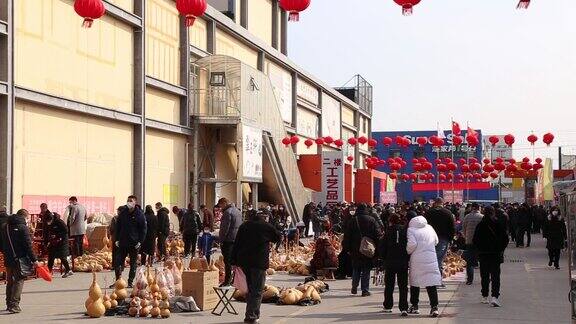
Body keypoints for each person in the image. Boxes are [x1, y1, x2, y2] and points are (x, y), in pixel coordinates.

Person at [231, 211, 281, 324]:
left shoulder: (244, 226)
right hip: (258, 262)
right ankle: (252, 316)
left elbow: (236, 243)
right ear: (262, 217)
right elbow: (277, 236)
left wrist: (233, 261)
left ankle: (250, 314)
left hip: (244, 262)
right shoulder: (265, 226)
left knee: (249, 289)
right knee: (257, 290)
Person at [1, 209, 39, 313]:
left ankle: (9, 303)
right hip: (20, 258)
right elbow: (28, 246)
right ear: (25, 217)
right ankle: (14, 305)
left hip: (8, 257)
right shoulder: (23, 228)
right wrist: (34, 260)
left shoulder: (5, 226)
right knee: (19, 280)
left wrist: (6, 253)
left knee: (10, 282)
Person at [406, 214, 442, 317]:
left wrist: (407, 251)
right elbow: (436, 241)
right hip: (431, 258)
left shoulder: (411, 230)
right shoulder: (430, 228)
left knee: (415, 283)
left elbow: (412, 244)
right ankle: (434, 307)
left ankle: (414, 306)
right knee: (431, 284)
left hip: (417, 259)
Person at [473, 206, 509, 307]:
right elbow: (505, 239)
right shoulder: (498, 224)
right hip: (496, 254)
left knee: (484, 276)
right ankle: (494, 297)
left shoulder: (480, 225)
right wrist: (500, 249)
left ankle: (484, 296)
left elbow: (475, 240)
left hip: (483, 254)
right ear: (493, 213)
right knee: (495, 276)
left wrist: (480, 249)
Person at [343, 203, 378, 297]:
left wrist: (346, 248)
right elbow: (377, 234)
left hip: (355, 248)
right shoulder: (372, 220)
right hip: (367, 248)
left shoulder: (353, 220)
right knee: (366, 269)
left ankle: (354, 286)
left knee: (356, 268)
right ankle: (365, 290)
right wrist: (378, 248)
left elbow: (347, 236)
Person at [114, 195, 147, 288]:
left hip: (134, 244)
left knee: (133, 264)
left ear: (135, 202)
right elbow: (118, 227)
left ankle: (130, 282)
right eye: (128, 200)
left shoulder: (139, 214)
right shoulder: (123, 213)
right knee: (118, 262)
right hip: (123, 242)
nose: (129, 202)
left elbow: (144, 229)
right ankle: (118, 280)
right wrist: (116, 239)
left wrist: (140, 241)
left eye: (131, 201)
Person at [380, 213, 409, 316]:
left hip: (390, 261)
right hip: (403, 261)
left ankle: (388, 306)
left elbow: (382, 247)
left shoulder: (388, 231)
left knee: (389, 285)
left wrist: (383, 259)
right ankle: (404, 307)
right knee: (403, 286)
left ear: (390, 221)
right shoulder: (405, 231)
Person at [425, 197, 455, 287]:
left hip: (430, 239)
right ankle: (437, 281)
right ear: (442, 203)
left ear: (435, 203)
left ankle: (431, 279)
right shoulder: (447, 213)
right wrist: (451, 239)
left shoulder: (429, 212)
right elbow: (452, 227)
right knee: (439, 259)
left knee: (432, 259)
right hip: (443, 239)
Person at [218, 197, 242, 286]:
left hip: (228, 240)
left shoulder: (227, 213)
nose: (220, 208)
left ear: (224, 203)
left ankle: (227, 281)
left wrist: (221, 240)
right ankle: (235, 280)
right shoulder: (238, 211)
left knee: (227, 261)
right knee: (235, 261)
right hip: (237, 239)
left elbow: (225, 228)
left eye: (221, 205)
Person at [44, 212, 73, 277]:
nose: (48, 222)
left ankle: (68, 270)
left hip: (62, 241)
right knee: (51, 256)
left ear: (52, 219)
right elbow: (46, 232)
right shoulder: (47, 223)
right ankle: (49, 271)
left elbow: (66, 231)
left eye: (49, 221)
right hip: (53, 241)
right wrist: (46, 242)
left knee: (62, 256)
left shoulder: (59, 222)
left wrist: (57, 235)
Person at [462, 203, 483, 285]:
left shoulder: (467, 217)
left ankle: (469, 280)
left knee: (469, 262)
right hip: (480, 242)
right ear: (479, 208)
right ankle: (485, 278)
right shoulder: (482, 217)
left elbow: (463, 229)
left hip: (469, 241)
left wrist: (466, 237)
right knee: (482, 261)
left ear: (472, 208)